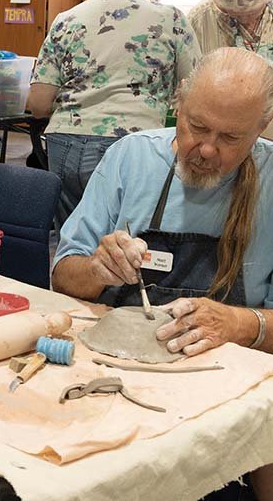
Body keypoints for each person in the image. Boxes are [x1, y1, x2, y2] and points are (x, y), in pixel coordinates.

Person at [51, 46, 273, 500]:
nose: (207, 150)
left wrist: (240, 322)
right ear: (179, 103)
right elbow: (63, 276)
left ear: (261, 129)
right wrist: (96, 269)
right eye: (197, 127)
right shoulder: (131, 159)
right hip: (117, 374)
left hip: (224, 384)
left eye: (230, 138)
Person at [27, 0, 200, 227]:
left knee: (74, 239)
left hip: (67, 145)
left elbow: (39, 104)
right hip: (137, 144)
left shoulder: (66, 20)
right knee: (127, 243)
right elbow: (198, 91)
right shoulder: (170, 18)